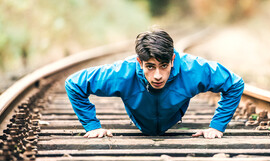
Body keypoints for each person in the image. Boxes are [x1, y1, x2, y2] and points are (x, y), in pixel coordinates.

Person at [65, 28, 244, 139]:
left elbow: (235, 84)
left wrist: (217, 126)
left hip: (171, 119)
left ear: (173, 60)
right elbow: (74, 84)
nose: (157, 75)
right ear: (139, 62)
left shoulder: (193, 69)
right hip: (141, 123)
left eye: (163, 66)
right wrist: (92, 126)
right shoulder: (122, 73)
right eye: (150, 67)